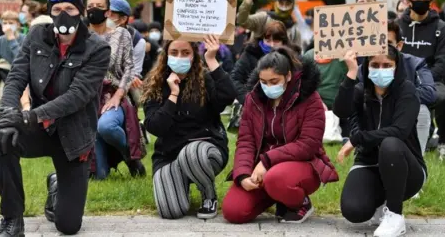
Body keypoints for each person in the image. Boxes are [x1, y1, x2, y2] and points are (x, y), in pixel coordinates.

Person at [0, 0, 110, 236]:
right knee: (2, 138)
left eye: (70, 8)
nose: (63, 14)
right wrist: (8, 114)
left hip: (73, 137)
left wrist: (29, 116)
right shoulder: (36, 36)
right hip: (41, 129)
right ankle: (12, 220)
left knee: (68, 226)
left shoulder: (97, 48)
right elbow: (15, 78)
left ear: (80, 11)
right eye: (57, 8)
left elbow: (76, 97)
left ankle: (57, 184)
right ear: (49, 11)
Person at [223, 47, 338, 224]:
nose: (268, 87)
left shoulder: (310, 98)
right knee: (233, 211)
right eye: (263, 81)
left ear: (289, 76)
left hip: (302, 165)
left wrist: (267, 160)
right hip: (262, 169)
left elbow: (308, 145)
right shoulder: (253, 99)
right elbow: (246, 141)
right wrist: (243, 175)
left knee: (276, 178)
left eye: (274, 81)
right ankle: (274, 195)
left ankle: (300, 203)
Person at [334, 47, 427, 237]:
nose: (381, 69)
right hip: (369, 163)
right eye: (375, 65)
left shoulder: (407, 91)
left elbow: (399, 131)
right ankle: (382, 203)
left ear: (397, 66)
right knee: (354, 210)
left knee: (390, 143)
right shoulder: (361, 91)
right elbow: (340, 111)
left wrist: (356, 139)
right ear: (367, 66)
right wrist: (351, 73)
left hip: (407, 168)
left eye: (387, 65)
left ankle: (395, 214)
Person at [142, 35, 236, 220]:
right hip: (169, 155)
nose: (180, 57)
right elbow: (155, 127)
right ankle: (181, 181)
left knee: (191, 154)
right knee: (170, 211)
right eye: (174, 52)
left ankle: (208, 193)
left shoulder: (204, 80)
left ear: (194, 56)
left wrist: (211, 59)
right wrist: (173, 96)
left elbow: (228, 95)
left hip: (205, 152)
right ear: (165, 55)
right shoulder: (155, 84)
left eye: (186, 53)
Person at [86, 0, 146, 179]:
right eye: (90, 6)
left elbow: (129, 68)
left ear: (107, 11)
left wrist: (118, 95)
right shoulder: (80, 36)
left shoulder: (121, 35)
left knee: (106, 127)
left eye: (99, 6)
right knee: (100, 176)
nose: (94, 9)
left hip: (113, 94)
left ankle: (131, 158)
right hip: (88, 99)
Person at [357, 20, 436, 155]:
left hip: (405, 117)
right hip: (376, 115)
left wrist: (395, 96)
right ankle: (365, 150)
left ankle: (417, 154)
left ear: (399, 46)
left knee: (422, 109)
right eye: (378, 43)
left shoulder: (415, 63)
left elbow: (430, 93)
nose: (382, 49)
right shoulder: (364, 67)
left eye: (387, 43)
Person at [398, 0, 445, 160]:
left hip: (431, 81)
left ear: (431, 0)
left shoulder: (441, 28)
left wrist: (422, 81)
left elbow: (442, 65)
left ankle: (444, 142)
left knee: (443, 98)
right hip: (400, 80)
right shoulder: (398, 26)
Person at [231, 21, 299, 105]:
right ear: (262, 39)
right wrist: (247, 100)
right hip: (255, 106)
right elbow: (235, 79)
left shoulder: (292, 57)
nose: (272, 44)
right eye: (268, 40)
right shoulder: (250, 54)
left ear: (283, 41)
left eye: (276, 41)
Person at [0, 11, 29, 116]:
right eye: (5, 23)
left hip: (23, 77)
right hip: (4, 77)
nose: (7, 26)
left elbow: (23, 61)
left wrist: (12, 40)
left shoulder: (25, 39)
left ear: (18, 25)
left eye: (11, 23)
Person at [237, 0, 302, 47]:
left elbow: (296, 53)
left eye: (287, 4)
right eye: (281, 3)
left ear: (292, 6)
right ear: (275, 4)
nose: (284, 7)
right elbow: (242, 21)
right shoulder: (263, 18)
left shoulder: (294, 31)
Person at [108, 0, 147, 101]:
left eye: (112, 14)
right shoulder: (97, 33)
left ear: (123, 19)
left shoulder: (137, 41)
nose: (107, 17)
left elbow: (134, 72)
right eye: (106, 12)